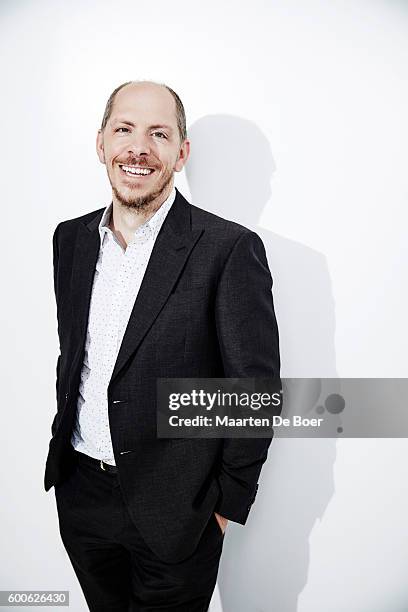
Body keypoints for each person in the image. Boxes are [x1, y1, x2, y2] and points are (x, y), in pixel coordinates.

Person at [44, 80, 281, 612]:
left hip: (180, 511)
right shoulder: (70, 240)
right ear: (101, 143)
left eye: (159, 133)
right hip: (82, 495)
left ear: (181, 153)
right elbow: (74, 359)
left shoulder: (229, 249)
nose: (139, 148)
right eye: (124, 129)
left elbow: (255, 392)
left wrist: (223, 507)